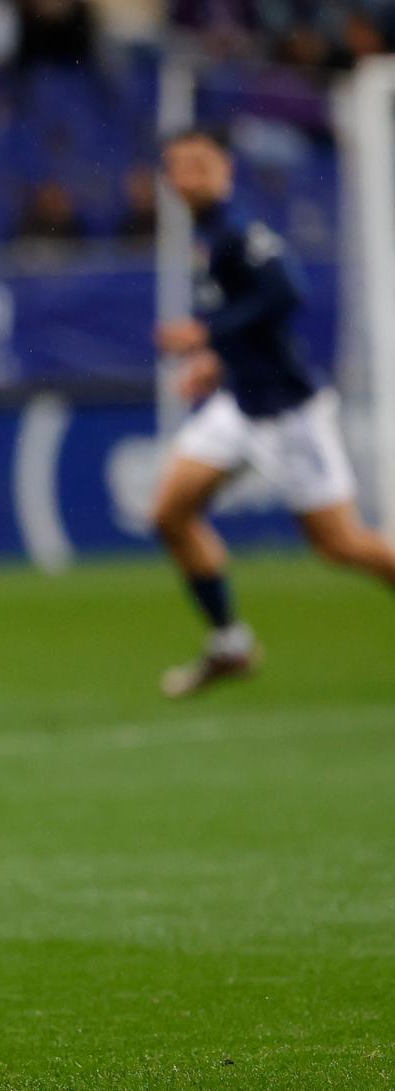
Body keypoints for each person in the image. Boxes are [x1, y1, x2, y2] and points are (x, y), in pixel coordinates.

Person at [150, 127, 395, 698]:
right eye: (178, 166)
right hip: (240, 403)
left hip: (287, 412)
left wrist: (205, 334)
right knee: (170, 513)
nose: (189, 176)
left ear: (225, 170)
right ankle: (230, 644)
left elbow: (286, 293)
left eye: (200, 164)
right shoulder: (210, 237)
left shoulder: (238, 230)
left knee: (341, 543)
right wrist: (216, 359)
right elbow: (248, 315)